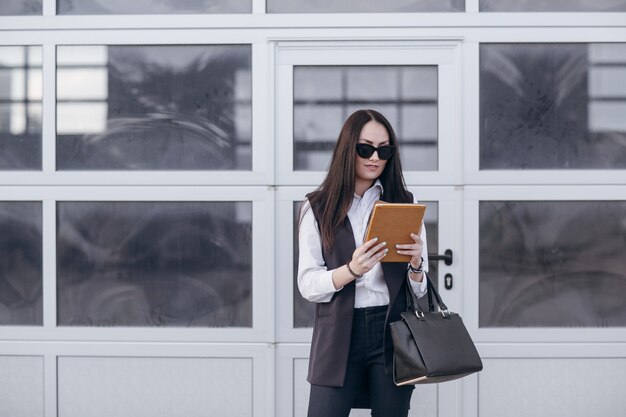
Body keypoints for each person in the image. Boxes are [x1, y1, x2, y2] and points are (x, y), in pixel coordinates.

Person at [297, 109, 429, 417]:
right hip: (339, 332)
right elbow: (307, 284)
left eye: (384, 150)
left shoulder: (404, 203)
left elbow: (419, 293)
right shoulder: (317, 207)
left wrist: (417, 263)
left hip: (392, 332)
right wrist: (351, 270)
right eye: (365, 148)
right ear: (347, 148)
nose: (375, 157)